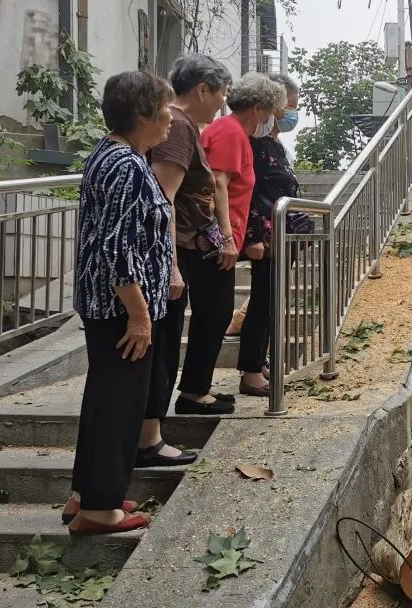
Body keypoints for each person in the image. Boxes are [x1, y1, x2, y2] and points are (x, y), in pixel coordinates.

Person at [67, 71, 182, 534]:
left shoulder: (109, 155)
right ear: (142, 115)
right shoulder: (130, 166)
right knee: (119, 404)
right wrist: (139, 316)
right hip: (120, 308)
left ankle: (88, 493)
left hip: (103, 303)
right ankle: (99, 510)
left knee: (103, 398)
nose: (171, 118)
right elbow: (118, 248)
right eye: (166, 109)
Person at [172, 72, 284, 411]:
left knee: (216, 313)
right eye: (269, 112)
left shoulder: (231, 132)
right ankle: (193, 393)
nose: (268, 120)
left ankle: (196, 387)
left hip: (219, 237)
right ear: (257, 108)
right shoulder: (231, 132)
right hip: (213, 240)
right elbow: (217, 185)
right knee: (214, 313)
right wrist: (226, 237)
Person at [149, 54, 235, 421]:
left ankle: (193, 392)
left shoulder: (184, 125)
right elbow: (162, 197)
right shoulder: (178, 126)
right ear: (202, 89)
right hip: (180, 246)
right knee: (167, 338)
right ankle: (153, 428)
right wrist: (170, 265)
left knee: (212, 313)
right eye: (222, 94)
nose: (223, 102)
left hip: (193, 243)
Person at [238, 74, 304, 396]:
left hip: (281, 233)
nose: (291, 112)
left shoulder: (276, 145)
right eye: (286, 106)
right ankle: (251, 372)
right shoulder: (255, 146)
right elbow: (250, 192)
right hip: (267, 236)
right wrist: (256, 236)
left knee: (270, 300)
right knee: (263, 300)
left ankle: (257, 363)